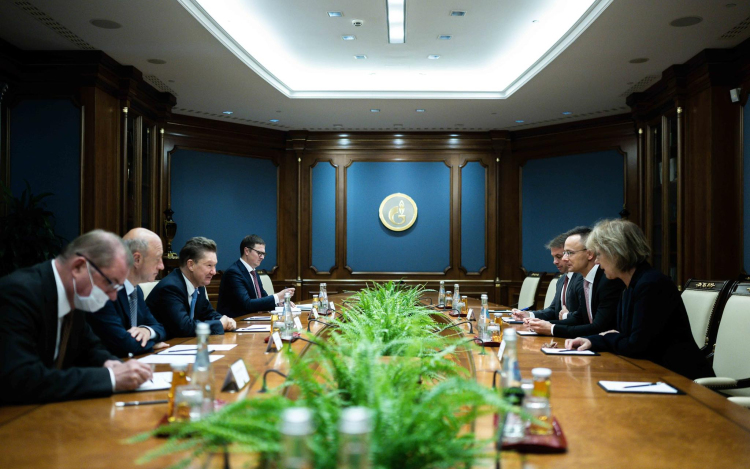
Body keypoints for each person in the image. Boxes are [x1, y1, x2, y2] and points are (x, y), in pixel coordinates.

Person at [0, 230, 153, 405]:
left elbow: (91, 348)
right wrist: (111, 377)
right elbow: (21, 378)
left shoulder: (76, 296)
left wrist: (112, 364)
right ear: (78, 267)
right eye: (110, 283)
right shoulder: (18, 294)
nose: (113, 297)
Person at [565, 219, 714, 379]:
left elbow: (635, 346)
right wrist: (592, 341)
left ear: (616, 252)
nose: (596, 261)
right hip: (651, 371)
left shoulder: (651, 284)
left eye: (599, 254)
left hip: (680, 377)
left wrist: (607, 337)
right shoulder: (630, 285)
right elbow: (625, 336)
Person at [526, 226, 624, 338]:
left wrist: (552, 329)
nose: (564, 258)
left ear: (589, 254)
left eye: (569, 253)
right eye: (564, 253)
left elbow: (599, 327)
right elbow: (580, 318)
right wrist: (542, 324)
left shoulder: (607, 280)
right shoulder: (586, 279)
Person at [87, 228, 168, 357]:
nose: (161, 266)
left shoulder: (136, 291)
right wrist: (151, 344)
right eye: (157, 259)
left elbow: (159, 328)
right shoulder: (104, 290)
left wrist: (147, 331)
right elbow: (123, 344)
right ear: (136, 259)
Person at [147, 237, 236, 338]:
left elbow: (209, 313)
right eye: (209, 265)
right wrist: (219, 324)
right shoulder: (170, 288)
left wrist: (226, 321)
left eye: (214, 266)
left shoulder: (198, 285)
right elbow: (184, 327)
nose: (214, 272)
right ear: (191, 265)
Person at [512, 230, 582, 321]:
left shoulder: (582, 279)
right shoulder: (562, 280)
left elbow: (581, 317)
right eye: (553, 257)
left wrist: (552, 325)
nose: (554, 262)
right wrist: (529, 314)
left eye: (559, 257)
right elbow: (553, 310)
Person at [217, 234, 294, 317]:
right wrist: (278, 296)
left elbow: (262, 298)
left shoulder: (254, 272)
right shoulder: (233, 273)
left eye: (263, 254)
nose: (262, 257)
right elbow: (247, 304)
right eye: (259, 253)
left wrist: (279, 303)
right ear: (246, 251)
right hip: (236, 321)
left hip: (252, 319)